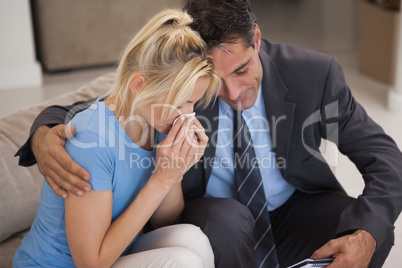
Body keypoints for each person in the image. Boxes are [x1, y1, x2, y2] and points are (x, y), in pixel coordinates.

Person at [15, 0, 402, 267]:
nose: (233, 94)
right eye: (218, 79)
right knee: (226, 220)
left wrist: (367, 233)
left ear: (257, 39)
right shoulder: (180, 92)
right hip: (218, 218)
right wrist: (44, 131)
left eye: (243, 70)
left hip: (292, 207)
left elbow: (384, 156)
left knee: (369, 227)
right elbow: (106, 103)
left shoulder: (314, 74)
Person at [13, 8, 221, 268]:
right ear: (138, 86)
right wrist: (160, 179)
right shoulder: (91, 139)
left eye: (193, 103)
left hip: (119, 250)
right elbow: (90, 262)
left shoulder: (156, 121)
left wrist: (173, 171)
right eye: (180, 103)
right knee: (182, 261)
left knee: (193, 239)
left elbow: (164, 223)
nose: (188, 115)